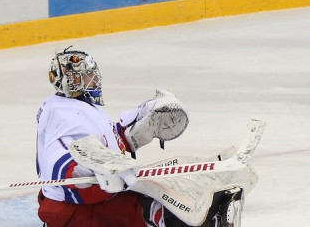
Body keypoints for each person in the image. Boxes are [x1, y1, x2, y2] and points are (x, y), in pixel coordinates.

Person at [36, 47, 245, 227]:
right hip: (75, 208)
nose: (95, 79)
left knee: (151, 201)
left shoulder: (73, 106)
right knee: (152, 207)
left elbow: (101, 139)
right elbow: (57, 157)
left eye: (93, 73)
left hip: (88, 199)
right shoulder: (68, 115)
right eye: (88, 76)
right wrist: (78, 170)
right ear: (73, 82)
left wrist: (134, 129)